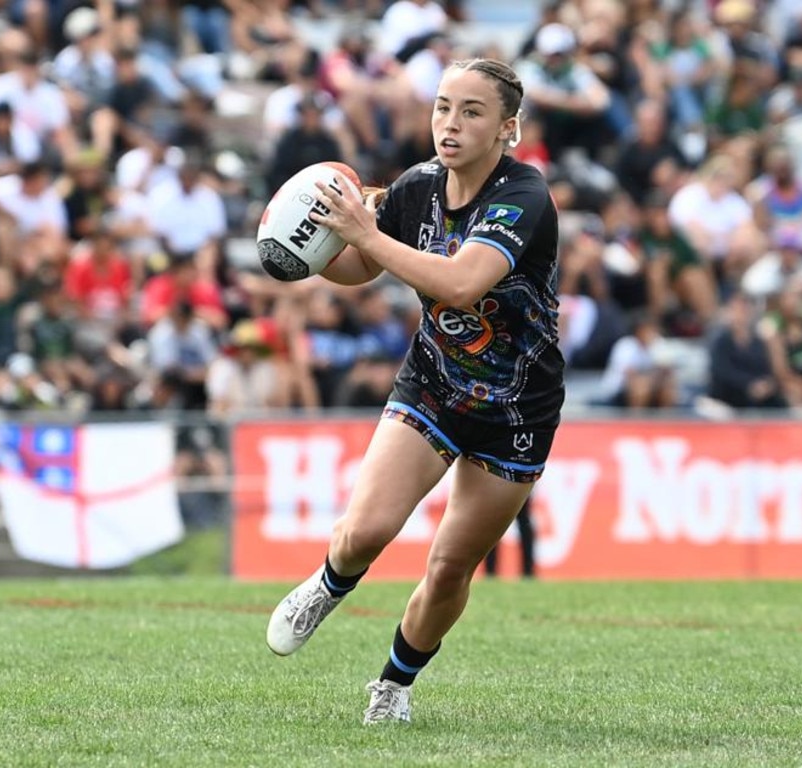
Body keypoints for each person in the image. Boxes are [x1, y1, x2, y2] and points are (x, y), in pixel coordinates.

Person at [265, 58, 564, 725]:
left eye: (471, 111)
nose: (450, 124)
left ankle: (394, 685)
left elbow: (460, 284)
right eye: (441, 107)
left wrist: (366, 231)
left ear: (507, 129)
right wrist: (310, 248)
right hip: (433, 384)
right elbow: (360, 266)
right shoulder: (415, 187)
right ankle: (327, 584)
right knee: (364, 532)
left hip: (517, 407)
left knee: (452, 565)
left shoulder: (526, 196)